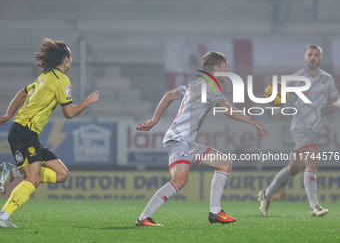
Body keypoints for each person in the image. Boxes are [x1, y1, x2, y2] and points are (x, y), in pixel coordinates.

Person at [135, 51, 267, 226]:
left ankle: (215, 212)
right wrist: (254, 123)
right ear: (216, 67)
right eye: (225, 65)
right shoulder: (210, 87)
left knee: (224, 163)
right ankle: (144, 217)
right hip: (178, 140)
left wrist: (154, 120)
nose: (228, 68)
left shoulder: (196, 84)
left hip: (187, 142)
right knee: (180, 180)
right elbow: (228, 110)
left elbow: (168, 96)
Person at [0, 38, 99, 228]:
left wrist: (7, 115)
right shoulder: (62, 81)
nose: (71, 60)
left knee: (62, 174)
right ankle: (4, 215)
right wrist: (87, 101)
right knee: (34, 179)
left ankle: (11, 172)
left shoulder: (44, 76)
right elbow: (69, 113)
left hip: (26, 132)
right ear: (65, 59)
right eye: (70, 56)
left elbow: (22, 92)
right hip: (24, 130)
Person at [258, 45, 340, 217]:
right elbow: (279, 91)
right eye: (310, 55)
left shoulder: (327, 79)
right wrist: (277, 107)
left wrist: (335, 105)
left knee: (293, 169)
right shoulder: (297, 78)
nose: (313, 58)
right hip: (301, 127)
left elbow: (335, 100)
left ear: (320, 58)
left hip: (315, 128)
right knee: (313, 164)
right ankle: (314, 206)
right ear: (305, 57)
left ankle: (266, 195)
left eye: (316, 55)